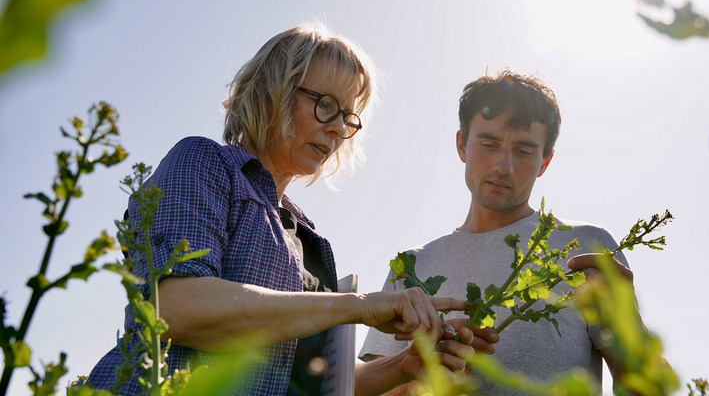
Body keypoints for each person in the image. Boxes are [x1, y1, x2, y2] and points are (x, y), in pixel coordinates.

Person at [86, 22, 474, 396]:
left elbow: (316, 376)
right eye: (326, 105)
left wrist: (405, 366)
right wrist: (357, 306)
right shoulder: (205, 162)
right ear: (270, 92)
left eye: (347, 118)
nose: (338, 129)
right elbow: (174, 307)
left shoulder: (309, 236)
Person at [359, 70, 642, 394]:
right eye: (489, 143)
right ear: (461, 145)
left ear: (545, 160)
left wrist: (631, 326)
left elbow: (642, 385)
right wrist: (429, 372)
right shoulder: (410, 268)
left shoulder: (585, 249)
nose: (502, 166)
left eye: (523, 150)